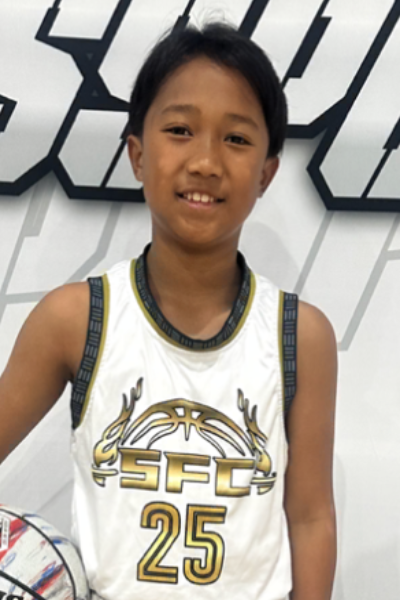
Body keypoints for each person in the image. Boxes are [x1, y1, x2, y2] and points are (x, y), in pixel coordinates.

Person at [0, 21, 337, 600]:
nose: (205, 161)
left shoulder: (299, 335)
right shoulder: (75, 319)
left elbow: (309, 518)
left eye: (236, 138)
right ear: (137, 154)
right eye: (180, 130)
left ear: (267, 172)